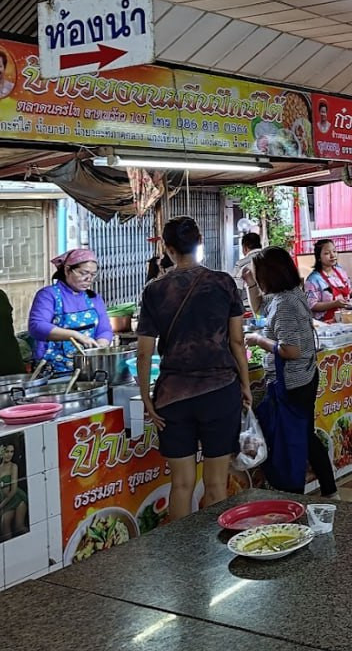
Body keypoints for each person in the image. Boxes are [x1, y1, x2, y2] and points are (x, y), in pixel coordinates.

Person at [136, 218, 251, 522]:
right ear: (200, 241)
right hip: (219, 390)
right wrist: (245, 384)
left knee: (181, 484)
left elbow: (144, 352)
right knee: (215, 483)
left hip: (173, 397)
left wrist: (146, 397)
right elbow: (237, 341)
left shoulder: (154, 290)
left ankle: (183, 561)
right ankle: (218, 556)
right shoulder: (223, 282)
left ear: (168, 249)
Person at [246, 247, 338, 497]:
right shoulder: (288, 294)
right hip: (303, 377)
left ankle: (296, 492)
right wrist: (250, 283)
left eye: (257, 273)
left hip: (294, 381)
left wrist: (258, 340)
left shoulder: (285, 304)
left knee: (296, 438)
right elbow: (259, 308)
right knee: (303, 435)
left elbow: (291, 350)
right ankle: (328, 490)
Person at [27, 249, 113, 374]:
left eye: (93, 275)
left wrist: (100, 347)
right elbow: (37, 326)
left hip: (87, 370)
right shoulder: (48, 295)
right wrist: (77, 336)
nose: (88, 279)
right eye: (83, 273)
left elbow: (104, 330)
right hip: (52, 371)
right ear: (67, 270)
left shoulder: (94, 298)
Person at [304, 238, 352, 323]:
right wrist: (334, 304)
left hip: (345, 320)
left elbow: (350, 290)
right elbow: (311, 305)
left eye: (334, 251)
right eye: (327, 253)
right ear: (319, 257)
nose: (332, 255)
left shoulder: (340, 271)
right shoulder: (313, 280)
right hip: (326, 325)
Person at [0, 441, 27, 540]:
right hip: (5, 502)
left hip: (17, 498)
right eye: (7, 451)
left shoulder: (13, 467)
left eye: (12, 452)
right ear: (1, 452)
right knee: (4, 523)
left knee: (19, 527)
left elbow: (14, 490)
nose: (9, 454)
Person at [234, 232, 262, 314]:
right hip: (272, 307)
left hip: (250, 309)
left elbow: (236, 292)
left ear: (245, 248)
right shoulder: (270, 260)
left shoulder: (241, 264)